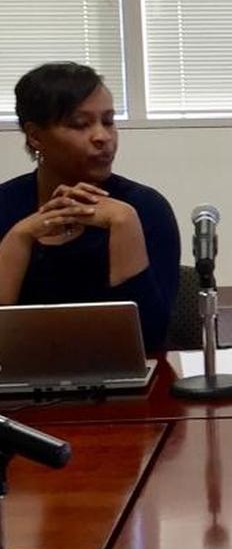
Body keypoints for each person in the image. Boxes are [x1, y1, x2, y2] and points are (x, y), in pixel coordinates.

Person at [0, 62, 179, 352]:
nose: (103, 137)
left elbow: (149, 342)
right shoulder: (7, 206)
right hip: (20, 387)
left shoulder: (146, 208)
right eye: (80, 124)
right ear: (35, 136)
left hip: (124, 385)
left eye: (108, 121)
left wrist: (124, 225)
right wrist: (18, 238)